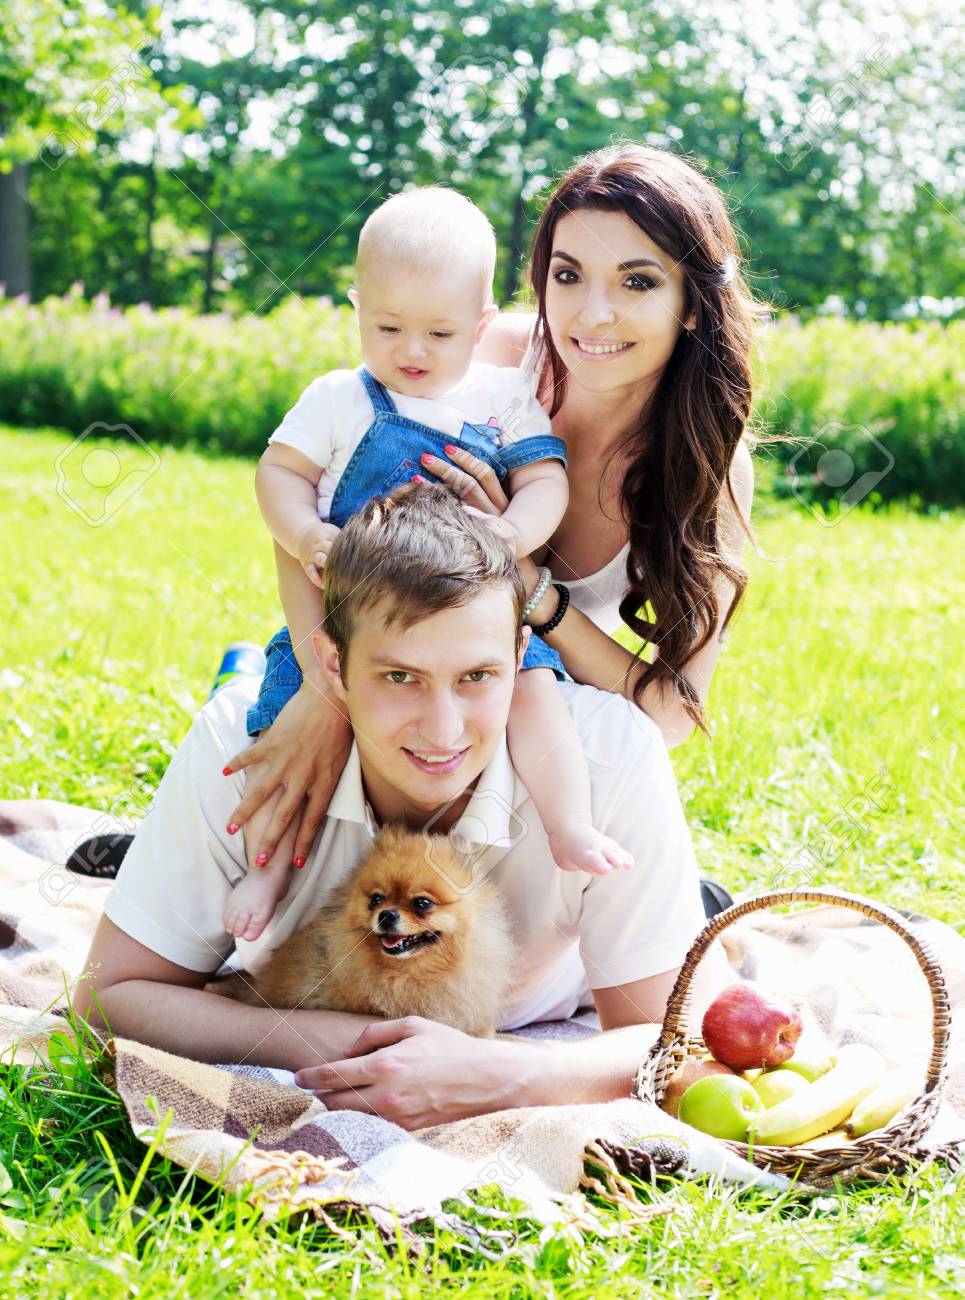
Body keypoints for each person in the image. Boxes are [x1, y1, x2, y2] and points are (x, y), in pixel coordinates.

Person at [74, 485, 726, 1131]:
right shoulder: (242, 747)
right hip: (316, 962)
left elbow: (671, 1042)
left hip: (554, 986)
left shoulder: (607, 758)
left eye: (477, 676)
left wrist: (496, 1072)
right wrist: (340, 1045)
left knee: (675, 933)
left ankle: (686, 901)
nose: (442, 732)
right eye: (399, 677)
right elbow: (106, 1000)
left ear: (520, 658)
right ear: (334, 666)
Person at [223, 143, 756, 886]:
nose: (592, 314)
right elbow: (316, 496)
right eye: (567, 276)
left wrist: (532, 589)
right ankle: (214, 848)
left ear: (693, 301)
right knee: (277, 745)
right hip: (392, 653)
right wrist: (325, 688)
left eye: (637, 281)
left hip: (514, 676)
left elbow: (669, 715)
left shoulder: (707, 465)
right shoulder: (485, 363)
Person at [226, 186, 633, 944]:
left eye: (439, 333)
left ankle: (567, 823)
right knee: (282, 715)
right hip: (358, 623)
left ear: (480, 327)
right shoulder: (339, 399)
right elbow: (276, 474)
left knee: (537, 692)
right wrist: (308, 533)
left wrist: (511, 536)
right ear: (356, 310)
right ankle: (271, 860)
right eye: (387, 327)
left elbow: (545, 478)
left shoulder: (503, 400)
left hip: (478, 617)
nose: (410, 352)